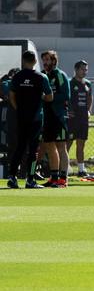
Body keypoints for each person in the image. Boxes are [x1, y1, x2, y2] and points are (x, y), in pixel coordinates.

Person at [6, 51, 53, 189]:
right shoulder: (41, 77)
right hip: (36, 117)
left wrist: (19, 109)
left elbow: (12, 97)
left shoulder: (17, 76)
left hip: (21, 117)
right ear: (36, 62)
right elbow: (50, 97)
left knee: (20, 147)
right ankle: (30, 180)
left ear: (23, 61)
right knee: (33, 149)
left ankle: (12, 177)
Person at [40, 50, 71, 188]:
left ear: (54, 61)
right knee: (49, 147)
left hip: (59, 116)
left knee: (61, 147)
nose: (45, 62)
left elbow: (66, 95)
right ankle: (54, 177)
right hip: (47, 117)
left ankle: (63, 179)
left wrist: (49, 97)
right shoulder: (43, 75)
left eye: (47, 59)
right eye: (43, 60)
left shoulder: (60, 75)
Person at [67, 60, 93, 177]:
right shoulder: (69, 82)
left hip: (83, 119)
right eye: (82, 69)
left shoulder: (88, 84)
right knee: (67, 144)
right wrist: (68, 111)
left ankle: (81, 170)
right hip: (72, 119)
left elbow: (90, 98)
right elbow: (66, 98)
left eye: (86, 70)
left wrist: (89, 110)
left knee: (81, 144)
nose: (84, 72)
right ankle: (64, 168)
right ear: (76, 70)